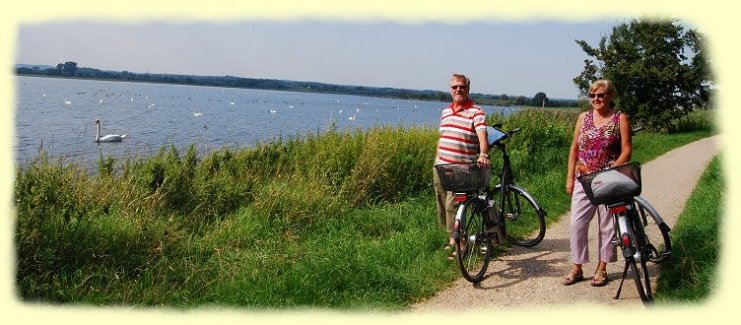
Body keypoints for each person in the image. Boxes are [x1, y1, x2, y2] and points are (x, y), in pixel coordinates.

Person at [562, 79, 632, 286]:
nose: (596, 99)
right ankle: (577, 266)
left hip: (608, 179)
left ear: (611, 96)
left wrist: (614, 167)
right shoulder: (583, 118)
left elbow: (627, 149)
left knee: (607, 227)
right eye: (592, 95)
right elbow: (574, 149)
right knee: (577, 223)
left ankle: (602, 268)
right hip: (583, 178)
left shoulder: (620, 118)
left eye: (600, 95)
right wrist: (569, 178)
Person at [433, 74, 490, 258]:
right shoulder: (446, 112)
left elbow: (482, 136)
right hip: (440, 166)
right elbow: (443, 138)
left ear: (468, 89)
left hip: (460, 169)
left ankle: (462, 243)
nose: (458, 90)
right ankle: (453, 238)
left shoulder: (476, 112)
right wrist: (436, 161)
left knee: (452, 205)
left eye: (462, 87)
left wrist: (483, 154)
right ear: (450, 90)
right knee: (442, 202)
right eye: (455, 87)